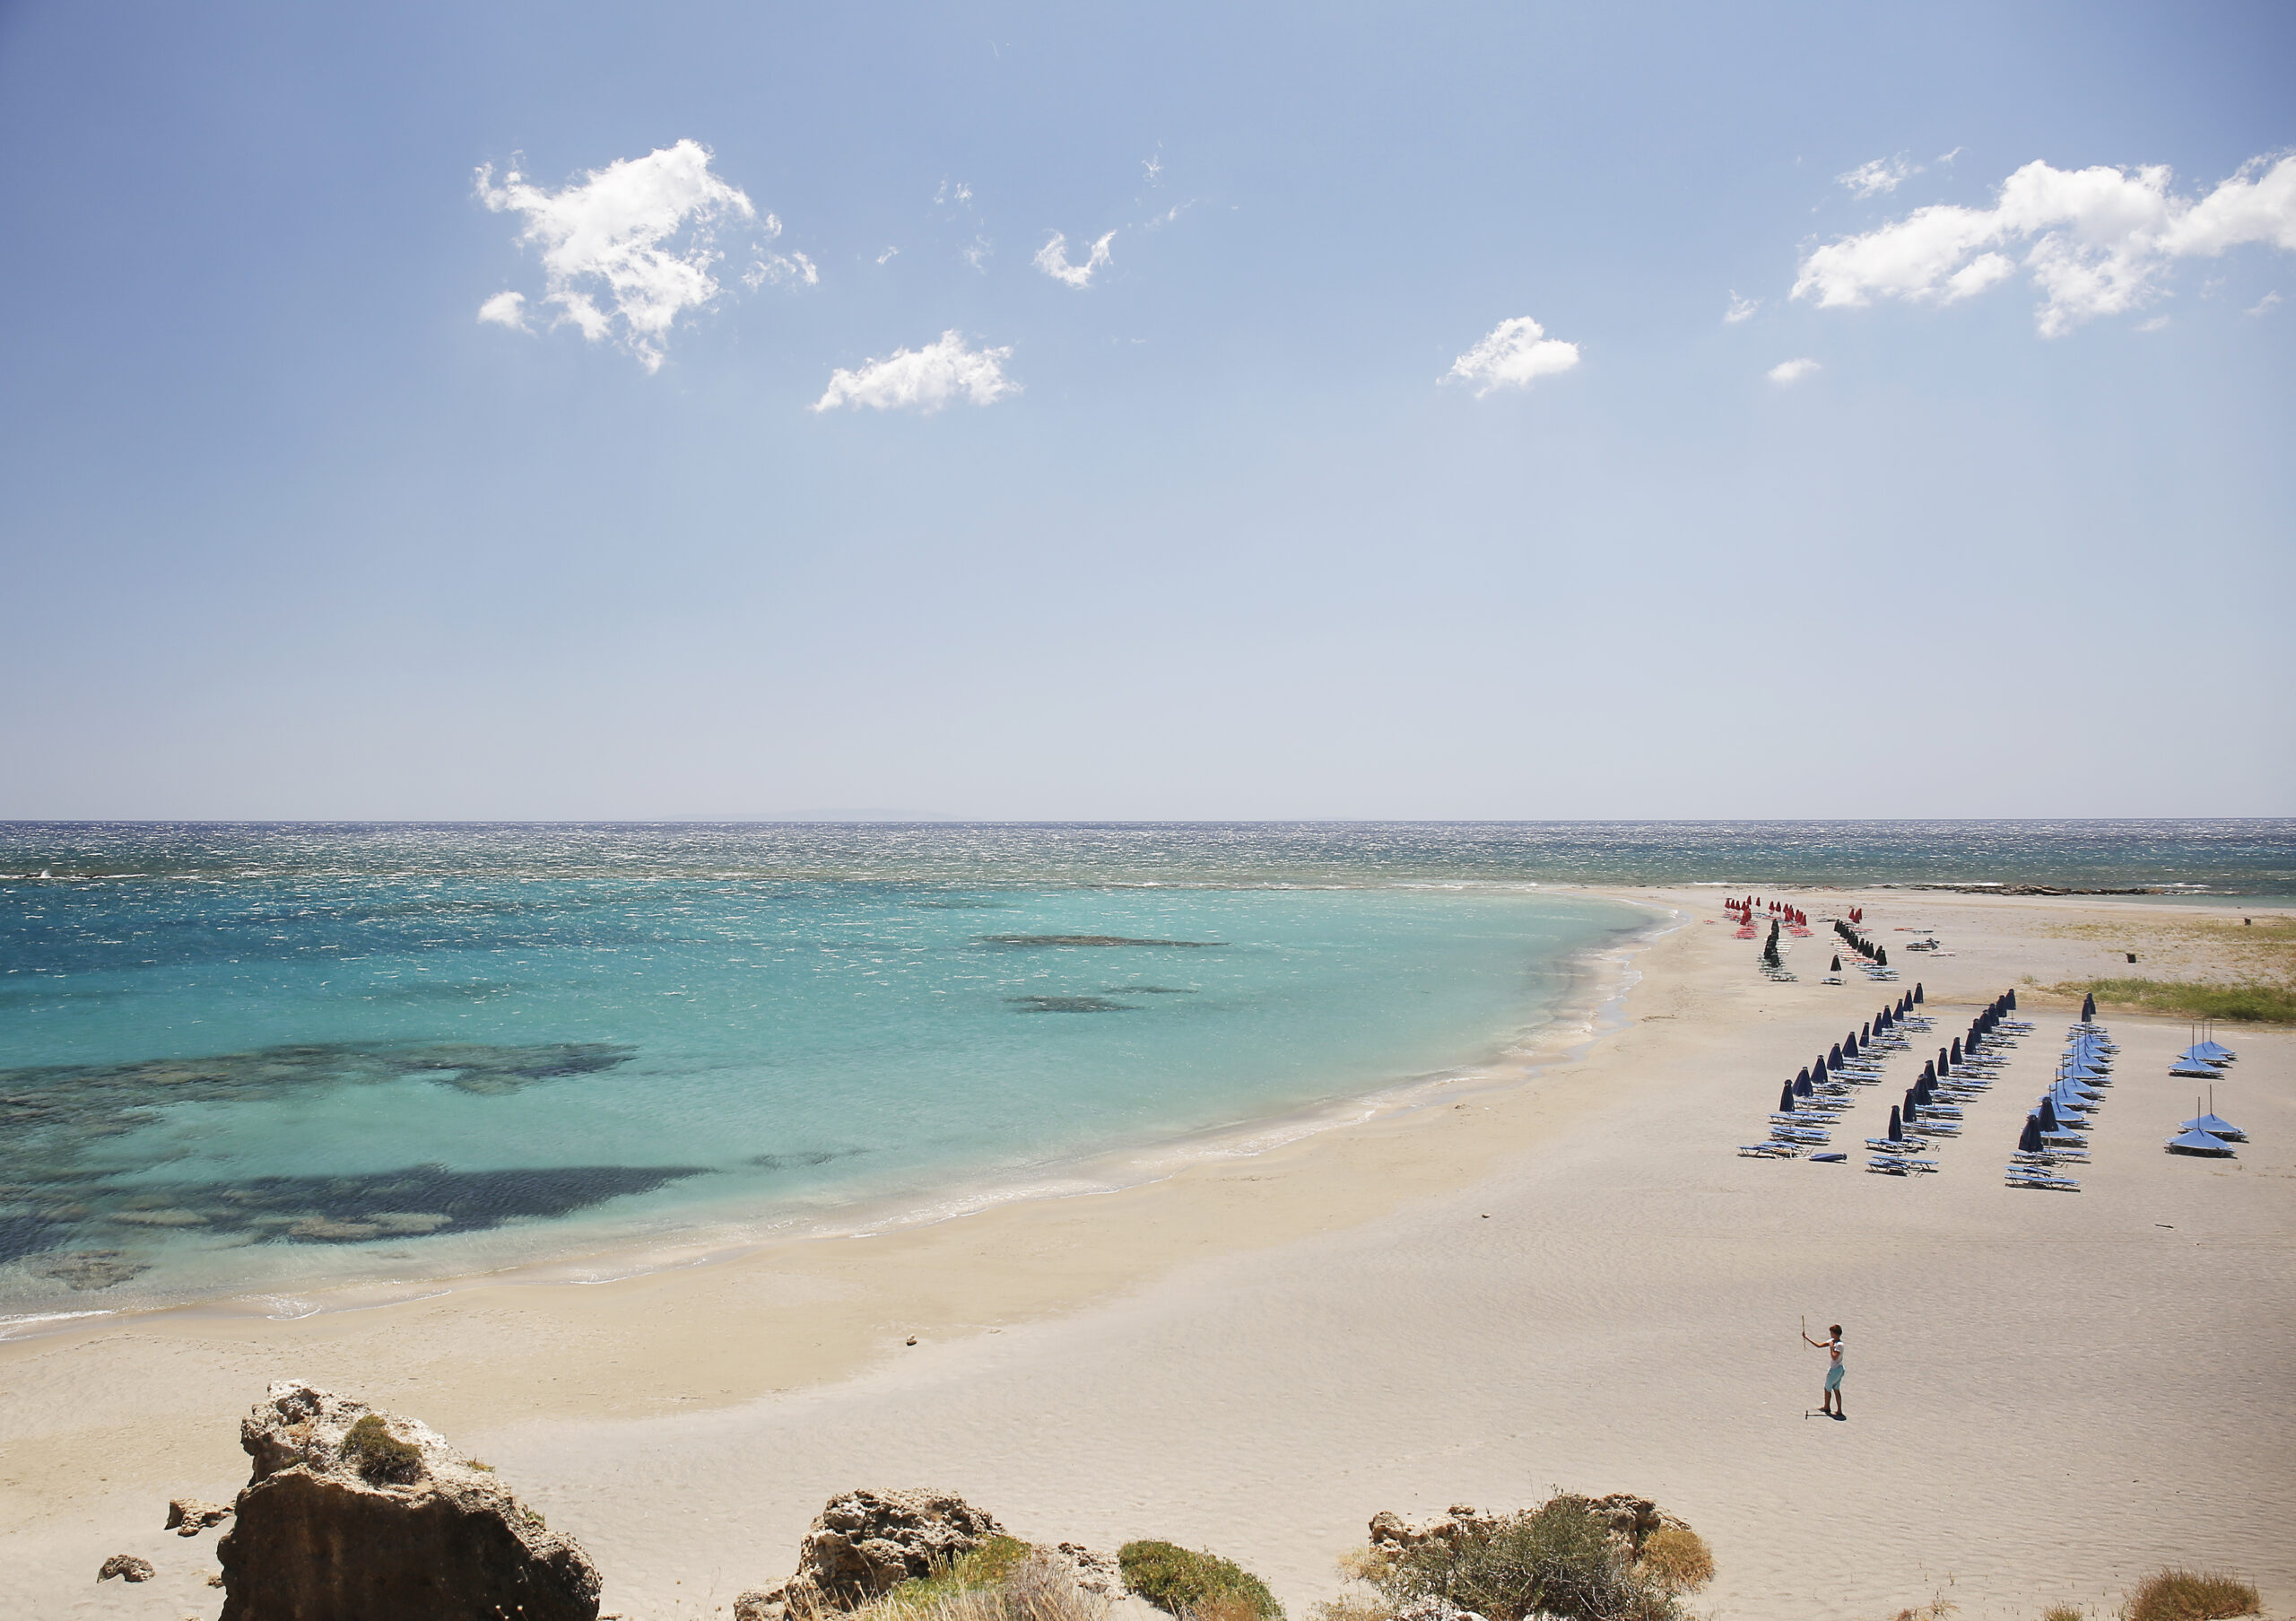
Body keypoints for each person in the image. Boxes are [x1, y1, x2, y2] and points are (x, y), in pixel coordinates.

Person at [1804, 1322, 1846, 1419]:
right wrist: (1807, 1338)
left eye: (1832, 1333)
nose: (1831, 1335)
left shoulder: (1839, 1345)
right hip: (1839, 1369)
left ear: (1836, 1334)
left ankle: (1827, 1407)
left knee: (1828, 1388)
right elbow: (1819, 1345)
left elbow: (1834, 1357)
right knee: (1836, 1389)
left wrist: (1831, 1347)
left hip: (1835, 1370)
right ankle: (1838, 1410)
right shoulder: (1832, 1341)